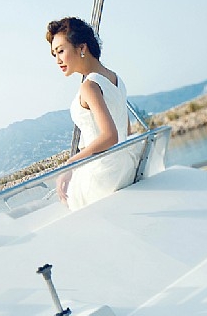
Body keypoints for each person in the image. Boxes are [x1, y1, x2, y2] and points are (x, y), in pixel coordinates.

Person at [46, 17, 138, 210]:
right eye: (54, 54)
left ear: (82, 47)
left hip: (102, 175)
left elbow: (110, 136)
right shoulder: (115, 78)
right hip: (124, 168)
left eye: (61, 51)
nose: (57, 60)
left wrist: (70, 164)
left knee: (65, 200)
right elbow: (126, 131)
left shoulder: (89, 86)